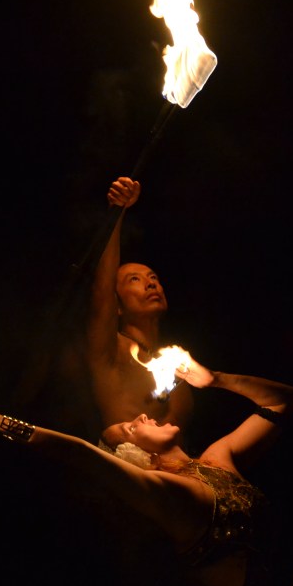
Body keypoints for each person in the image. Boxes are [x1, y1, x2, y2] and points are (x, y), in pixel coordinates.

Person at [0, 354, 293, 586]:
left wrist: (215, 379)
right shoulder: (165, 492)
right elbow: (79, 452)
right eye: (130, 428)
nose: (141, 416)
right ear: (136, 455)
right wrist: (0, 421)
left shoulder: (217, 460)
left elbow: (282, 401)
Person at [87, 176, 195, 450]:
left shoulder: (177, 363)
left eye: (153, 277)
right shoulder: (110, 350)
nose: (150, 283)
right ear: (117, 305)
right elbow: (103, 287)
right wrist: (117, 213)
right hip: (125, 467)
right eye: (134, 279)